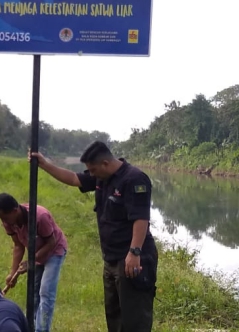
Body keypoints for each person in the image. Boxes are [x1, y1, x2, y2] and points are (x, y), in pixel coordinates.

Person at [29, 141, 158, 332]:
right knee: (114, 315)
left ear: (105, 163)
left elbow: (141, 219)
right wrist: (44, 164)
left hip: (132, 258)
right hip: (112, 259)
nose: (91, 174)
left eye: (93, 169)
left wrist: (134, 252)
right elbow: (73, 178)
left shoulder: (134, 179)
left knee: (134, 319)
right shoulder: (101, 178)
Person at [0, 193, 67, 332]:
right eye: (1, 219)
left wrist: (32, 260)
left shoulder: (40, 216)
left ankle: (42, 329)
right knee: (33, 293)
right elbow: (18, 246)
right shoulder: (8, 221)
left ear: (15, 210)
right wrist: (12, 273)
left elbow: (51, 242)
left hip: (54, 252)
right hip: (36, 253)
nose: (5, 222)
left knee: (46, 292)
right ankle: (28, 327)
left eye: (6, 217)